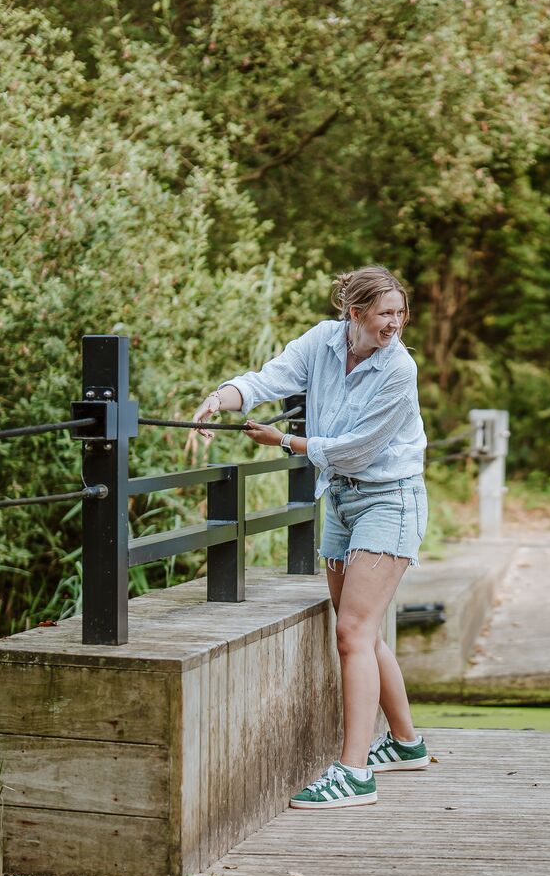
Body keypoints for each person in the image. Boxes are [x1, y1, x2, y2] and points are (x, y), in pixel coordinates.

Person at [185, 266, 431, 809]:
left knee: (353, 631)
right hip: (342, 500)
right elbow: (268, 378)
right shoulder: (322, 342)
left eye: (400, 312)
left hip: (389, 499)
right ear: (356, 313)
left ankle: (354, 773)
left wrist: (285, 441)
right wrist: (219, 399)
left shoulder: (400, 369)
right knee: (364, 634)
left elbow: (357, 449)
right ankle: (408, 745)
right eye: (385, 313)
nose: (396, 323)